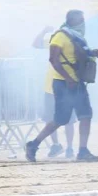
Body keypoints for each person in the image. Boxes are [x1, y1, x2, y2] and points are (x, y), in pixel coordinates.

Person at [25, 10, 98, 162]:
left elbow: (79, 54)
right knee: (60, 119)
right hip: (63, 84)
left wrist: (93, 53)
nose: (83, 23)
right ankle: (33, 144)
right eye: (81, 20)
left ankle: (83, 151)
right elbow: (53, 60)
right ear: (73, 20)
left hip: (77, 82)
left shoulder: (77, 37)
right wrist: (68, 79)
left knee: (86, 115)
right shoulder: (60, 36)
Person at [32, 25, 76, 158]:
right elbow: (35, 44)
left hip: (64, 85)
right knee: (51, 118)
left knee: (68, 119)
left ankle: (69, 147)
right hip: (52, 87)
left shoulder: (73, 43)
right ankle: (57, 146)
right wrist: (44, 31)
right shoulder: (55, 41)